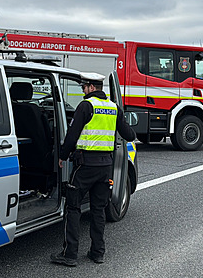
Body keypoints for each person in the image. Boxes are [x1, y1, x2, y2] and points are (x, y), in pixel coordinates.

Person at [51, 72, 136, 267]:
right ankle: (97, 252)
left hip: (85, 165)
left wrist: (62, 156)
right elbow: (129, 135)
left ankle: (70, 254)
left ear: (90, 87)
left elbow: (72, 136)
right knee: (98, 209)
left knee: (73, 207)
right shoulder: (114, 108)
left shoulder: (85, 106)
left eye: (83, 88)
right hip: (105, 166)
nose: (83, 92)